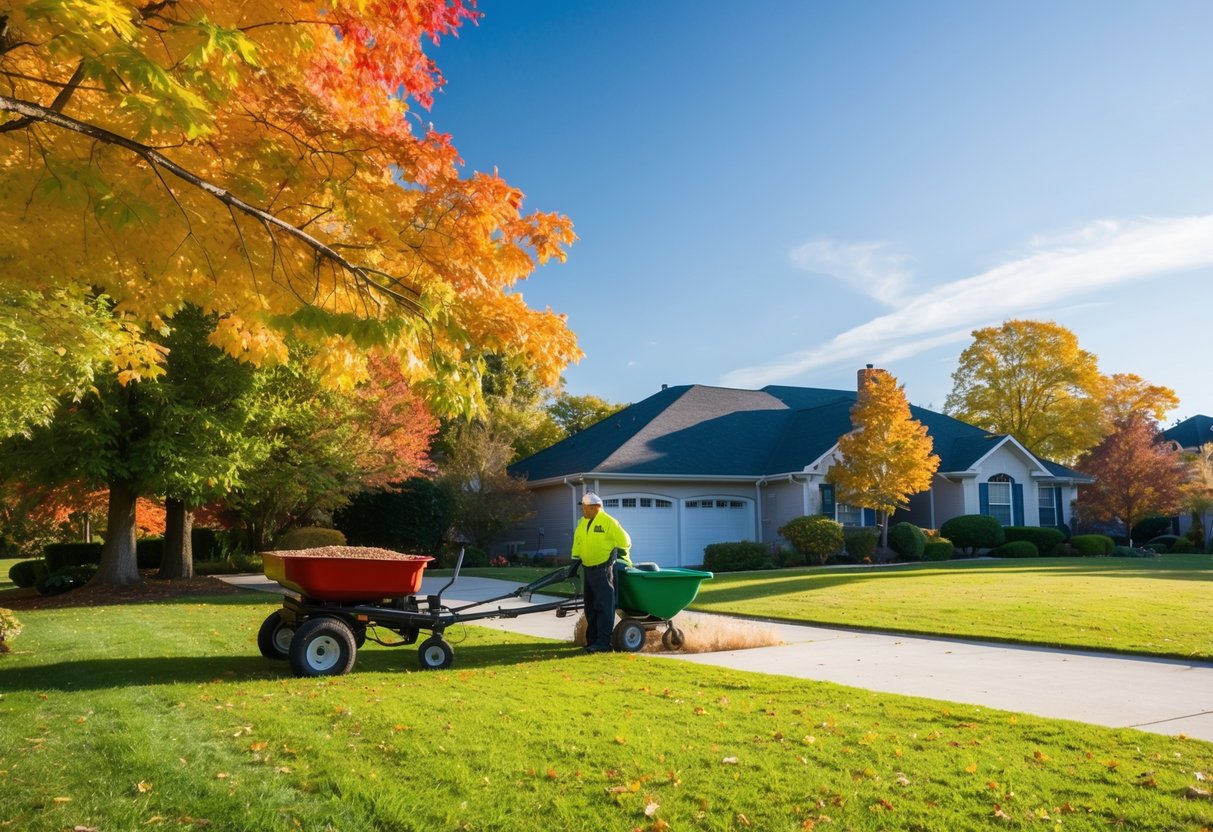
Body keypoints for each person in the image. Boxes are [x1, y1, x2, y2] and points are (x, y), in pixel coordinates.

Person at [571, 492, 631, 653]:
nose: (582, 510)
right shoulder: (582, 523)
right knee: (590, 607)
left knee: (604, 606)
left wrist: (614, 553)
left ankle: (604, 643)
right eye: (582, 507)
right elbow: (578, 543)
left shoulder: (609, 522)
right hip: (588, 570)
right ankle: (592, 641)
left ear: (595, 507)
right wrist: (574, 562)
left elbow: (625, 541)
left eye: (584, 507)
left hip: (603, 569)